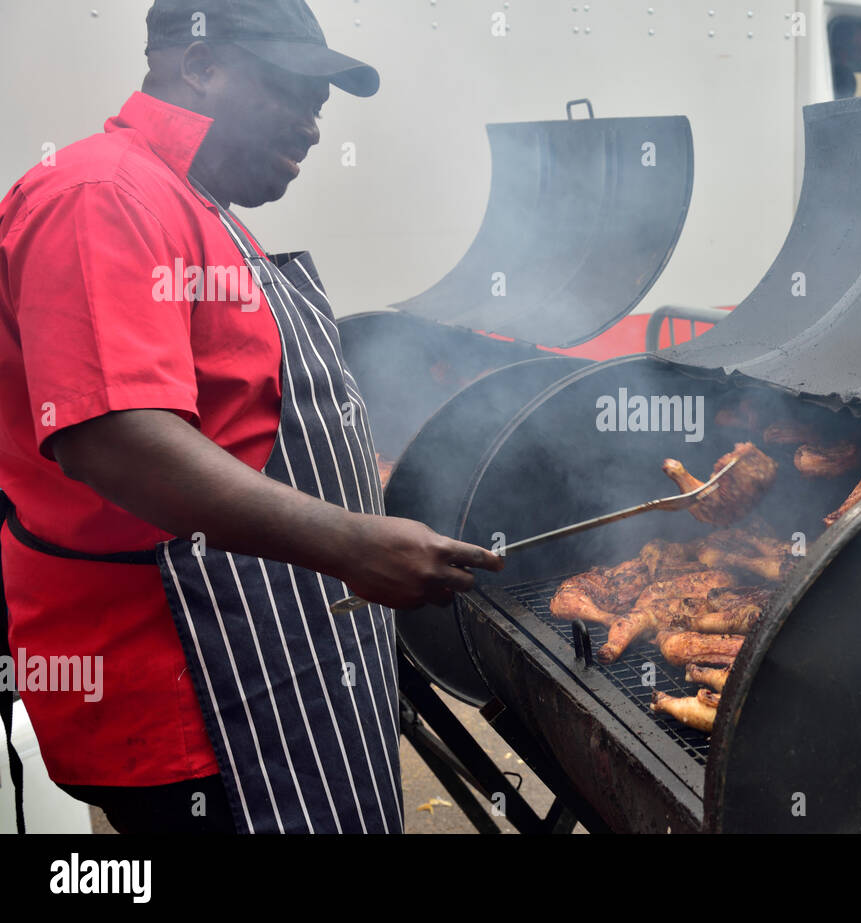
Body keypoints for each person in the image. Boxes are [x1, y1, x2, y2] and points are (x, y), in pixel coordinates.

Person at [0, 0, 502, 834]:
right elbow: (114, 436)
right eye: (294, 92)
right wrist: (351, 544)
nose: (312, 127)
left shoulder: (199, 208)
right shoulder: (103, 193)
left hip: (271, 655)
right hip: (191, 686)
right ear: (200, 65)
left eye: (323, 108)